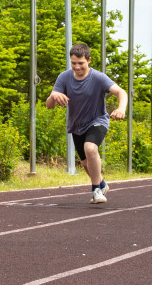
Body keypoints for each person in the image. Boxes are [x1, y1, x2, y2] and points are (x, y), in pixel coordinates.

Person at [45, 42, 129, 203]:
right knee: (85, 164)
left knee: (90, 148)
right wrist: (53, 96)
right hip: (76, 126)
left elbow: (121, 92)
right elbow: (49, 106)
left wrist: (121, 108)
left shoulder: (98, 77)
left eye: (81, 63)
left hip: (97, 121)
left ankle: (96, 190)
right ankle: (102, 184)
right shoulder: (64, 77)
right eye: (73, 63)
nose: (77, 67)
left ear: (89, 60)